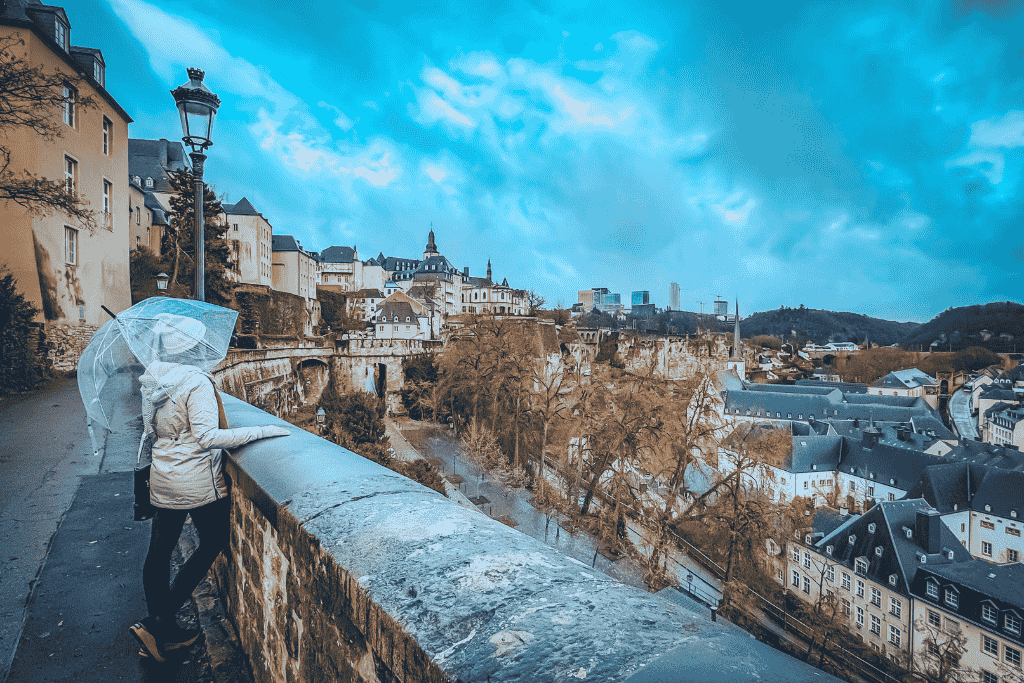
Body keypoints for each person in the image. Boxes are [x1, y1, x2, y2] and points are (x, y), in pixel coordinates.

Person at [128, 315, 290, 662]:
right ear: (191, 349)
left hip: (163, 476)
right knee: (214, 541)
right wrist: (262, 430)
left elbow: (153, 431)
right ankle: (158, 624)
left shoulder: (153, 379)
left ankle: (163, 629)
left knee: (158, 553)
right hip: (196, 481)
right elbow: (207, 437)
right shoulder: (195, 383)